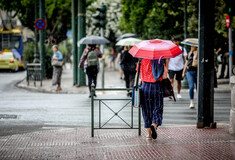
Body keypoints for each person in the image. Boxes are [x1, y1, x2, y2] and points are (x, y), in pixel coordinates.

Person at [138, 58, 168, 140]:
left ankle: (149, 134)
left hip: (145, 87)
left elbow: (140, 76)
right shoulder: (159, 61)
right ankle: (154, 125)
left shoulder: (141, 62)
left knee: (146, 110)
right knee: (158, 107)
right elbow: (165, 76)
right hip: (157, 86)